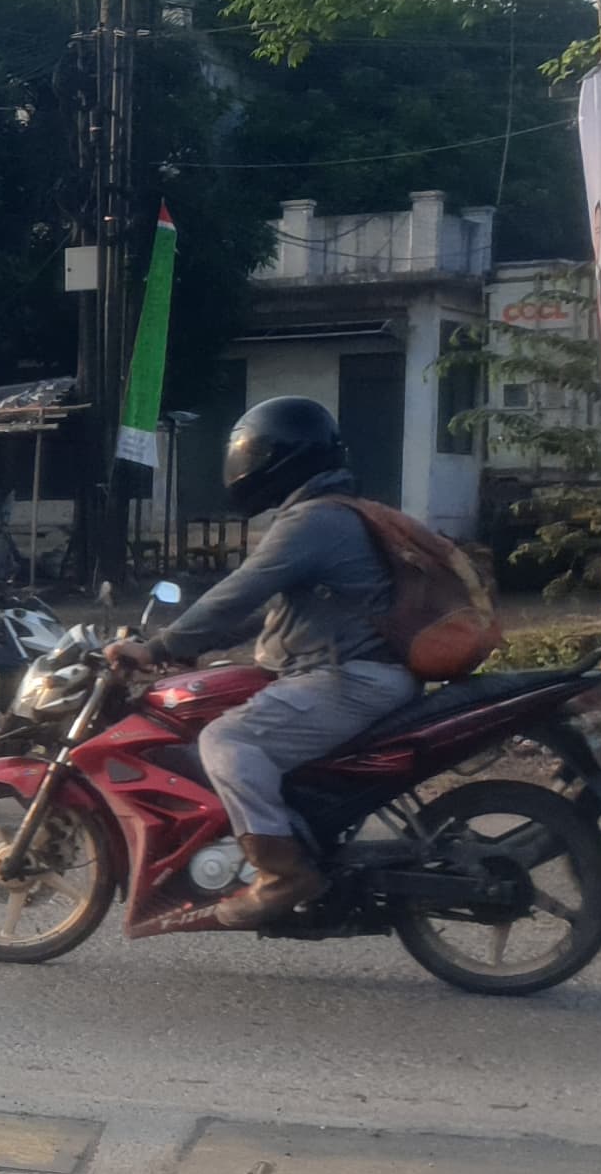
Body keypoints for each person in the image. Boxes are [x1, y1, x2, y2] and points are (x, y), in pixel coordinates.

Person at [111, 396, 410, 925]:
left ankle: (283, 873)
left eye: (251, 455)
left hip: (351, 679)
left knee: (227, 742)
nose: (241, 467)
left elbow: (236, 593)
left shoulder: (314, 521)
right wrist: (193, 645)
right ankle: (294, 836)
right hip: (353, 675)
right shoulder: (333, 512)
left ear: (283, 458)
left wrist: (157, 647)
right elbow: (267, 610)